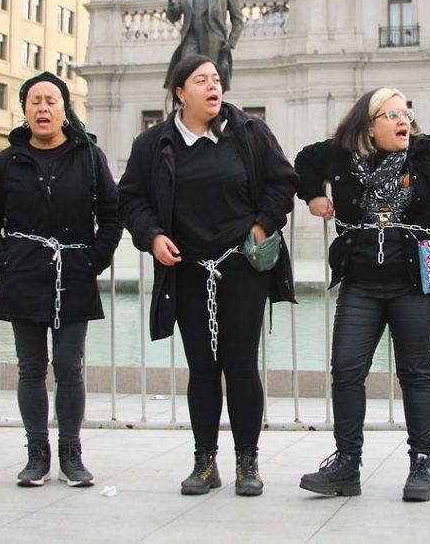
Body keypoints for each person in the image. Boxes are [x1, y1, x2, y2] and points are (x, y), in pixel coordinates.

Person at [294, 88, 430, 502]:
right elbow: (304, 161)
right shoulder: (341, 154)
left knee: (415, 372)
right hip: (360, 281)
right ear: (369, 124)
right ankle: (346, 464)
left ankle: (421, 464)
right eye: (392, 113)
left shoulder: (429, 152)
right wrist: (314, 194)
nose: (404, 121)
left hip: (417, 279)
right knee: (345, 367)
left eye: (407, 113)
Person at [118, 54, 298, 497]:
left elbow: (283, 182)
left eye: (216, 79)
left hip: (241, 270)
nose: (213, 87)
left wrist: (260, 226)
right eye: (201, 80)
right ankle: (204, 462)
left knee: (240, 365)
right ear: (180, 92)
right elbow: (131, 198)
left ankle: (247, 461)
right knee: (202, 367)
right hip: (188, 272)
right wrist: (153, 236)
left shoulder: (248, 133)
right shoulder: (153, 144)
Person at [0, 71, 123, 488]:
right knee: (31, 367)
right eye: (35, 100)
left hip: (74, 271)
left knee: (70, 367)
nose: (43, 108)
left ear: (64, 109)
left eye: (51, 100)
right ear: (24, 110)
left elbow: (112, 217)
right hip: (23, 274)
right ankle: (37, 453)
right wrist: (3, 263)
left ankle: (71, 453)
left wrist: (94, 260)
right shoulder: (8, 161)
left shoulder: (90, 158)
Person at [163, 0, 244, 92]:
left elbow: (238, 20)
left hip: (214, 38)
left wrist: (230, 42)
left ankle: (212, 106)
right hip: (191, 36)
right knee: (187, 71)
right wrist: (172, 4)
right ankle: (190, 103)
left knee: (210, 74)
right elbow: (173, 17)